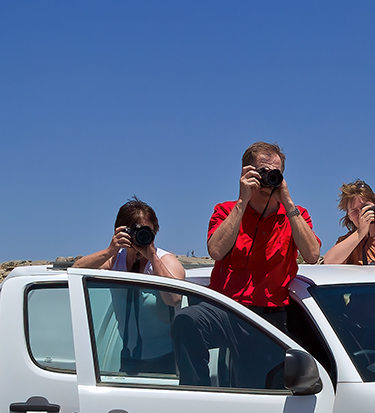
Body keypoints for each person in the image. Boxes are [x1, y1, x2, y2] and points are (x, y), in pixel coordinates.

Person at [172, 142, 320, 386]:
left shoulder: (296, 215)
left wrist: (288, 202)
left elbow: (312, 254)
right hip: (228, 310)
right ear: (246, 173)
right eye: (263, 172)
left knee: (254, 388)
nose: (267, 180)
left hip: (269, 319)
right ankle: (196, 394)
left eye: (275, 173)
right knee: (187, 321)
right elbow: (217, 251)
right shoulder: (226, 211)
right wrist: (243, 201)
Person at [74, 197, 186, 375]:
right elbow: (76, 271)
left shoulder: (165, 261)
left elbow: (173, 298)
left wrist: (153, 257)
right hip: (129, 356)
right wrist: (110, 250)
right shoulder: (114, 259)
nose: (140, 237)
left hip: (165, 359)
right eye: (134, 231)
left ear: (155, 231)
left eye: (146, 231)